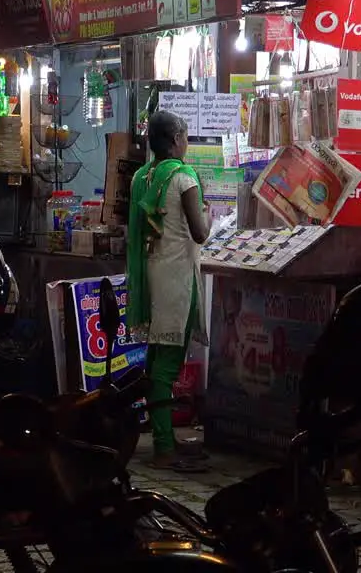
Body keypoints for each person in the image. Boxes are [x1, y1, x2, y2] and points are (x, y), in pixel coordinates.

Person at [125, 110, 210, 471]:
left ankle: (163, 437)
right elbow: (200, 232)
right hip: (177, 278)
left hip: (151, 276)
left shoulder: (141, 177)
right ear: (176, 139)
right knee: (167, 365)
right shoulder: (183, 176)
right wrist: (208, 211)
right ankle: (163, 447)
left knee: (155, 357)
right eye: (186, 137)